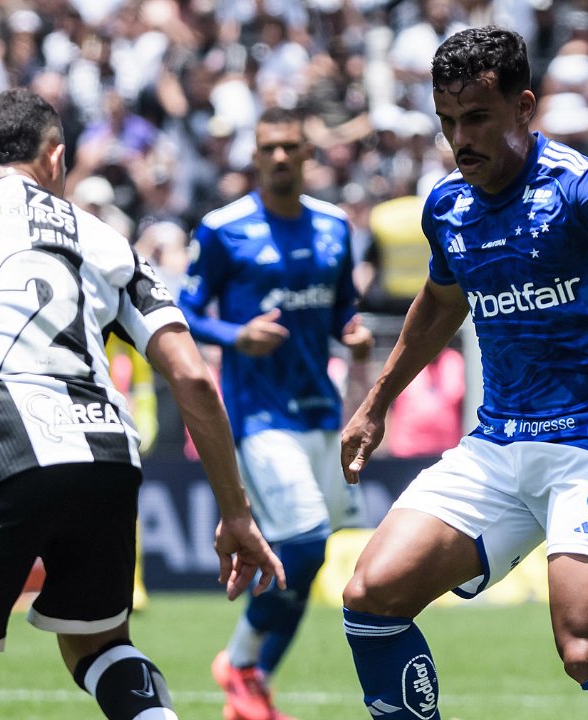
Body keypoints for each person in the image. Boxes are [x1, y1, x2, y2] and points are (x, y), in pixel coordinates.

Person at [0, 88, 284, 720]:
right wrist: (235, 512)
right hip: (108, 460)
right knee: (99, 646)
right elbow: (193, 378)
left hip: (0, 461)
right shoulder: (103, 237)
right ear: (55, 158)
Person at [338, 27, 588, 720]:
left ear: (523, 107)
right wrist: (376, 402)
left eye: (477, 118)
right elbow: (441, 302)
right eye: (448, 121)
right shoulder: (447, 206)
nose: (460, 139)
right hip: (498, 443)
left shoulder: (579, 185)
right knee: (371, 596)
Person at [177, 105, 373, 720]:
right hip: (259, 416)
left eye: (291, 146)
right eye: (269, 148)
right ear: (256, 156)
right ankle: (239, 662)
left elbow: (342, 309)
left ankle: (254, 683)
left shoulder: (334, 226)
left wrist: (354, 335)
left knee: (309, 559)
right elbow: (185, 312)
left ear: (308, 153)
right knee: (306, 540)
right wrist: (236, 336)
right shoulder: (222, 228)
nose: (281, 157)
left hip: (321, 413)